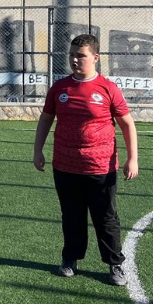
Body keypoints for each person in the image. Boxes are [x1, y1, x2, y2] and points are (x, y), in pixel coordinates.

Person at [33, 34, 138, 286]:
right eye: (72, 55)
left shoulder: (108, 88)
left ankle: (115, 265)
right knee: (71, 215)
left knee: (106, 218)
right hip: (65, 165)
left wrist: (132, 158)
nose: (75, 60)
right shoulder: (59, 88)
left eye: (81, 55)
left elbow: (127, 123)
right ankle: (70, 259)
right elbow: (46, 119)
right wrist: (38, 150)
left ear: (95, 58)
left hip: (100, 165)